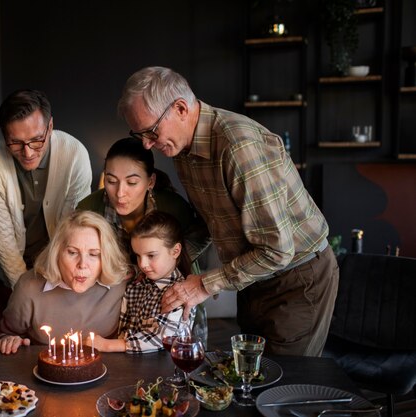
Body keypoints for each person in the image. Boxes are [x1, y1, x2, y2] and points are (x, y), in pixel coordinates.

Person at [118, 66, 339, 357]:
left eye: (151, 132)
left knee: (282, 389)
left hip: (297, 278)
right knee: (249, 380)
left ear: (181, 108)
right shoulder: (182, 148)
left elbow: (278, 250)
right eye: (140, 135)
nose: (147, 144)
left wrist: (203, 284)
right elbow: (209, 223)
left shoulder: (238, 145)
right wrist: (158, 261)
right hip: (252, 277)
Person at [0, 89, 93, 343]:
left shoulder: (75, 155)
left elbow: (72, 228)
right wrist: (28, 292)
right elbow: (3, 239)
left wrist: (55, 283)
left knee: (54, 340)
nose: (28, 152)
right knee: (4, 342)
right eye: (16, 143)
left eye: (36, 140)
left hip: (56, 261)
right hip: (1, 264)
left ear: (50, 126)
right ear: (3, 136)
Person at [0, 210, 130, 354]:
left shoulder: (122, 283)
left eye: (94, 254)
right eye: (72, 252)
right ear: (57, 252)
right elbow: (3, 334)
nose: (83, 264)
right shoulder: (29, 288)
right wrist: (9, 341)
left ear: (106, 256)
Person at [77, 137, 210, 275]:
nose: (120, 193)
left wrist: (167, 260)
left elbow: (203, 234)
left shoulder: (174, 208)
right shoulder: (87, 209)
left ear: (150, 182)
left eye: (132, 182)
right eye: (111, 181)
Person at [94, 211, 195, 353]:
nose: (143, 264)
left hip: (162, 369)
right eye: (138, 256)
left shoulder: (180, 293)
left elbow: (164, 336)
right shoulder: (138, 283)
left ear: (175, 251)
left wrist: (109, 345)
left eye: (151, 255)